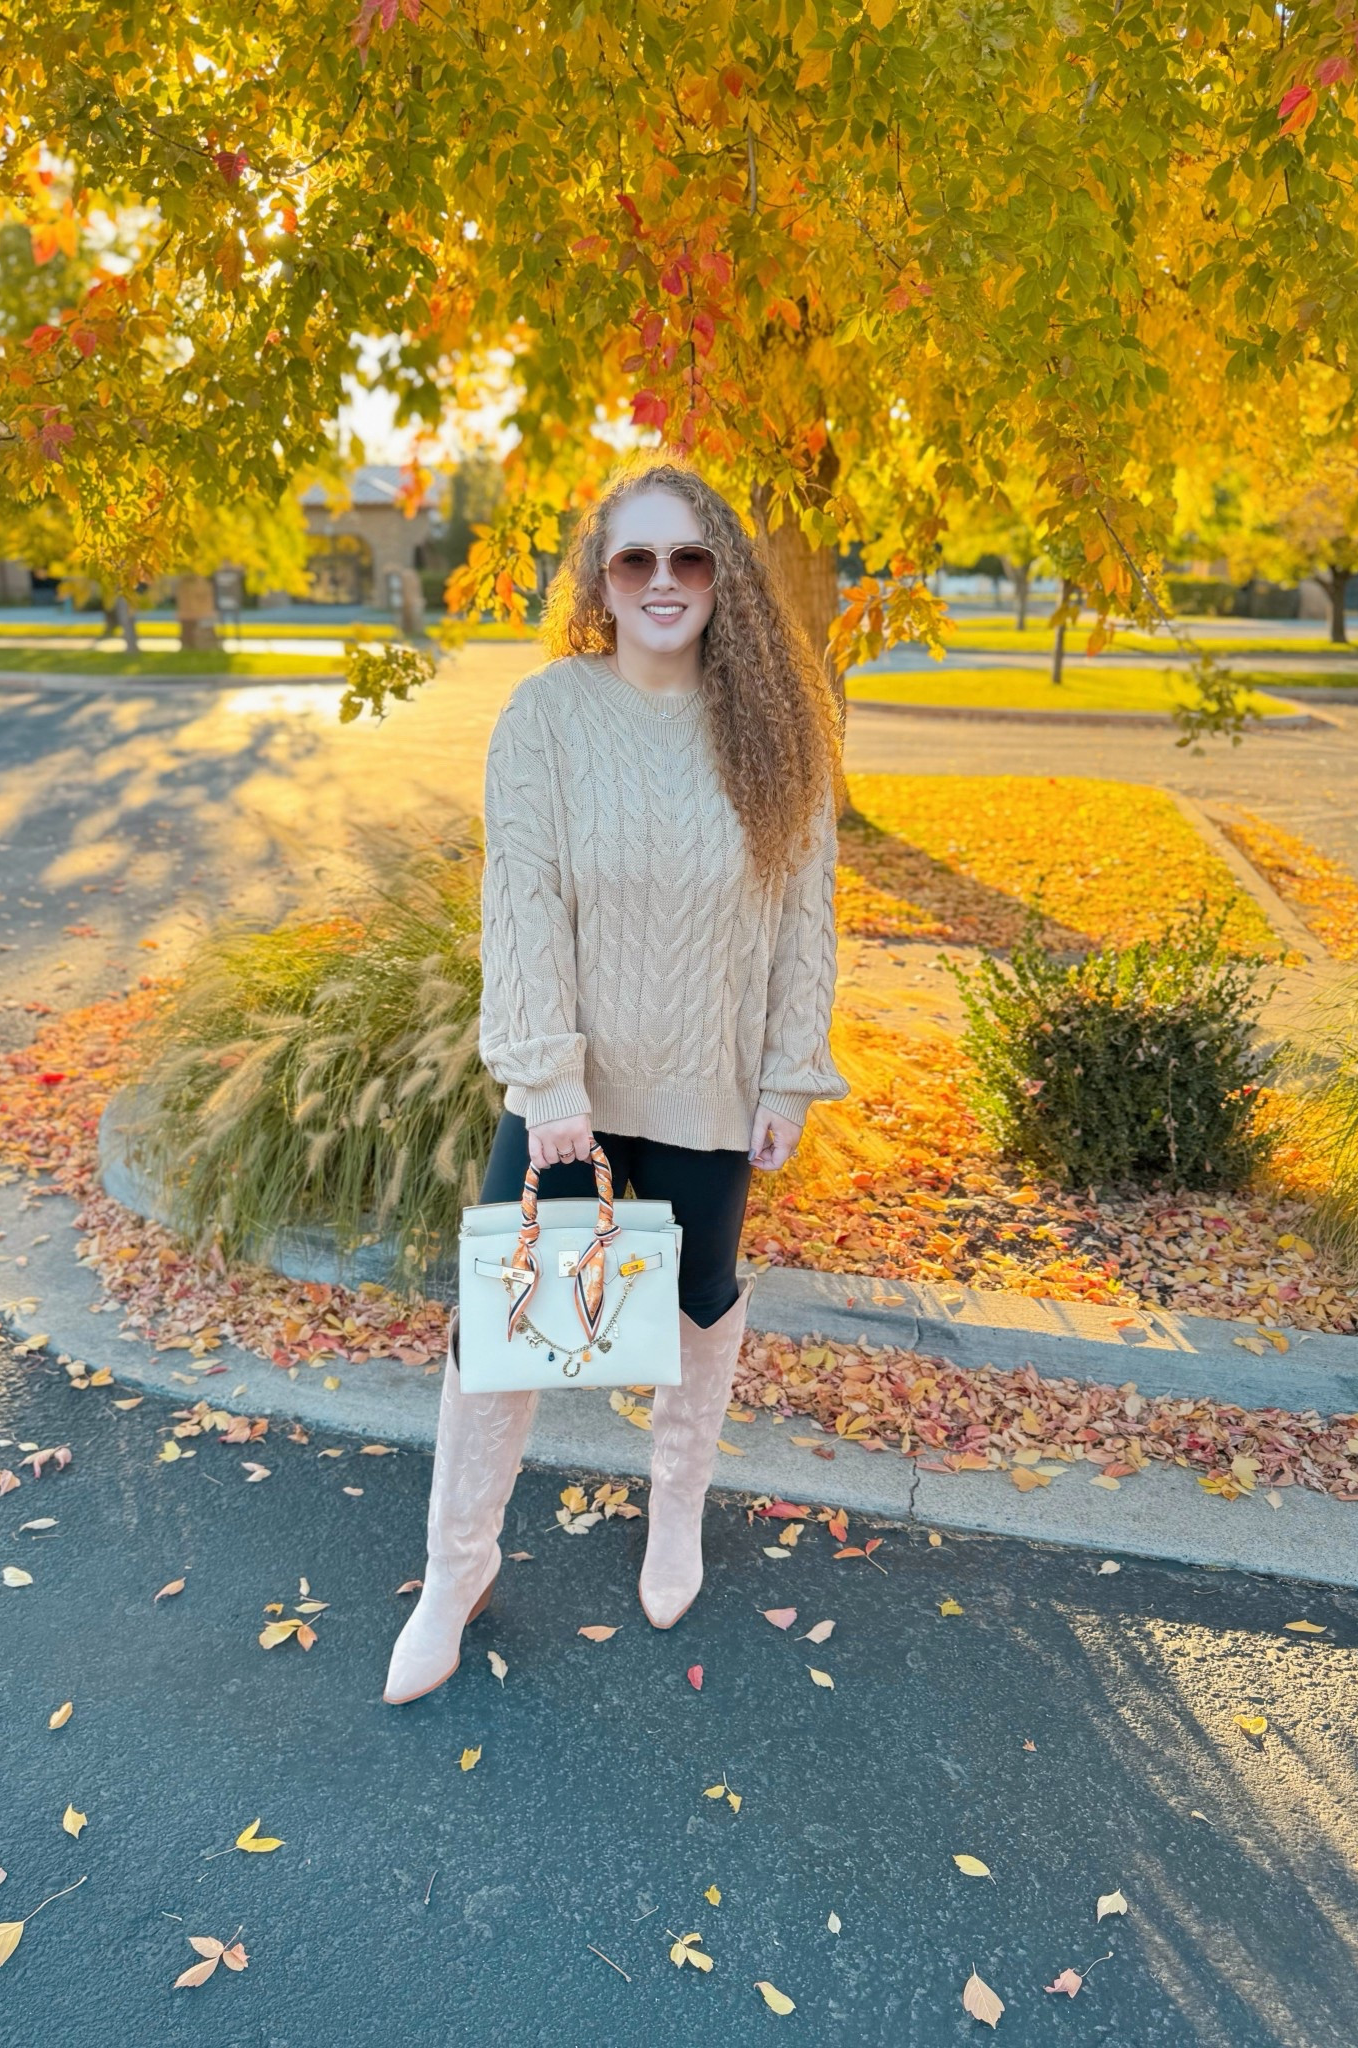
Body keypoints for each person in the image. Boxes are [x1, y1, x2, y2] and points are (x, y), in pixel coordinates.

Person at [384, 457, 847, 1704]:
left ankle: (675, 1506)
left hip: (711, 1083)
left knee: (697, 1302)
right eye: (636, 557)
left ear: (724, 576)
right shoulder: (546, 715)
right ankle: (456, 1568)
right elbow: (522, 905)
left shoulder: (778, 731)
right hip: (570, 1098)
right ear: (600, 575)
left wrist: (788, 1076)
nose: (662, 579)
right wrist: (548, 1084)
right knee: (505, 1328)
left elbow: (805, 915)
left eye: (689, 557)